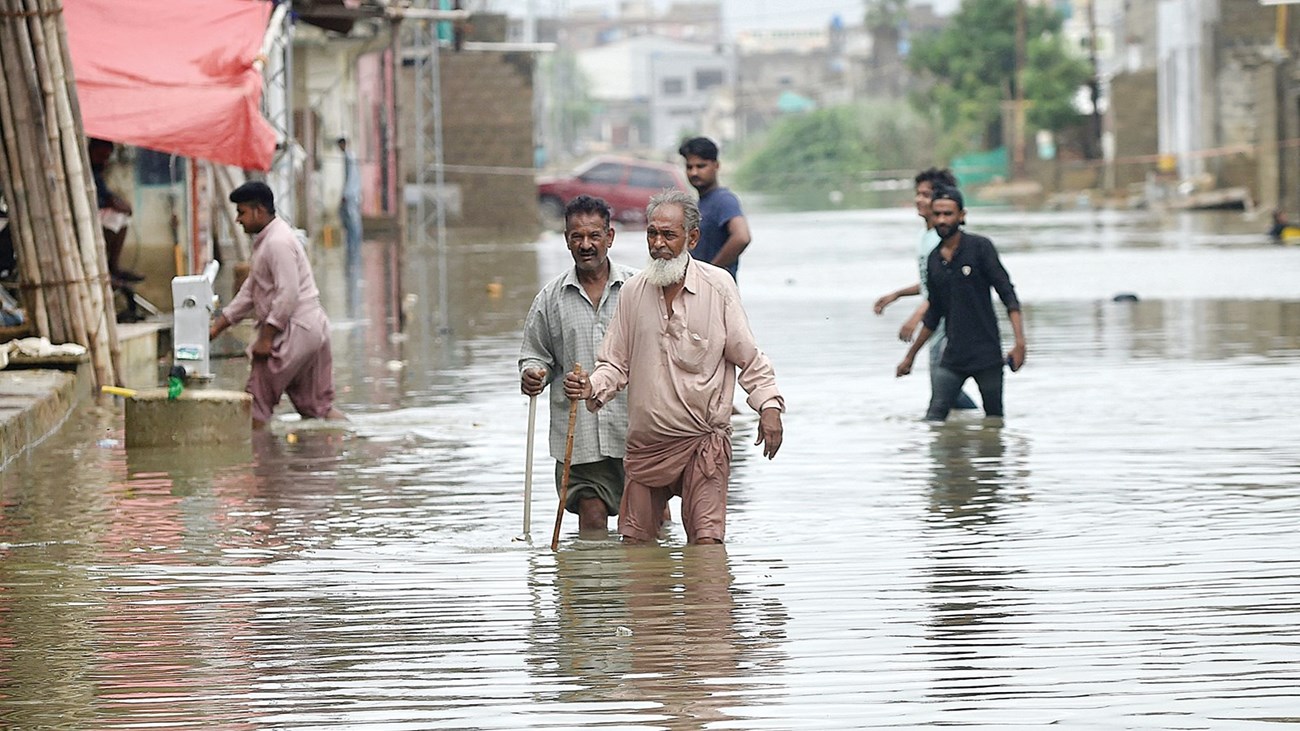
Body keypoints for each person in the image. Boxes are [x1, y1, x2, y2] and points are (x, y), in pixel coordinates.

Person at [563, 189, 785, 545]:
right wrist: (590, 386)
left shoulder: (718, 286)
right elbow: (615, 364)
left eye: (669, 235)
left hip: (703, 441)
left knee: (707, 544)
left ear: (692, 238)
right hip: (646, 445)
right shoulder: (633, 292)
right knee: (635, 545)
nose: (659, 244)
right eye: (653, 234)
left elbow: (748, 356)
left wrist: (769, 406)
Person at [519, 195, 638, 534]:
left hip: (635, 431)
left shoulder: (638, 289)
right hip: (580, 434)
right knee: (592, 518)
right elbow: (534, 353)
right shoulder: (550, 298)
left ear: (610, 237)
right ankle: (588, 585)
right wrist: (533, 375)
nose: (586, 245)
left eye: (594, 236)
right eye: (577, 237)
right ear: (567, 239)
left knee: (647, 524)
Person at [209, 181, 346, 429]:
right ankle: (337, 451)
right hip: (312, 327)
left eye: (242, 213)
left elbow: (288, 294)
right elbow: (251, 290)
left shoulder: (277, 243)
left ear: (259, 211)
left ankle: (261, 465)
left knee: (256, 406)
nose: (238, 220)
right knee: (318, 411)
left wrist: (266, 337)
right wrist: (219, 326)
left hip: (294, 329)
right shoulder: (269, 240)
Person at [896, 186, 1026, 422]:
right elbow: (933, 314)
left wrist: (1020, 343)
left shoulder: (980, 248)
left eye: (948, 214)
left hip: (987, 356)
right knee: (934, 418)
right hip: (953, 357)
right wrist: (910, 357)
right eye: (937, 214)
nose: (942, 220)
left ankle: (991, 459)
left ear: (962, 216)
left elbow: (1008, 295)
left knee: (994, 420)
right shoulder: (934, 260)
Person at [874, 167, 977, 411]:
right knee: (944, 386)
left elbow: (946, 289)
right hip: (935, 320)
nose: (919, 200)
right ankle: (975, 425)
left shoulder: (943, 241)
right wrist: (897, 294)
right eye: (917, 194)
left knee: (943, 386)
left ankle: (977, 425)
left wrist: (916, 318)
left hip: (948, 322)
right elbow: (931, 284)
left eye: (926, 194)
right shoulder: (925, 236)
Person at [678, 137, 751, 281]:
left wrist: (709, 272)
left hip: (718, 291)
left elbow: (742, 237)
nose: (694, 173)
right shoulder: (700, 203)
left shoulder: (724, 200)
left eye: (701, 166)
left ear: (716, 166)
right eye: (689, 167)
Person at [88, 138, 143, 285]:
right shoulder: (85, 170)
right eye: (101, 156)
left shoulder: (98, 171)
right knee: (115, 217)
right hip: (87, 216)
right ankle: (103, 265)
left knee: (123, 218)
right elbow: (103, 200)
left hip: (98, 212)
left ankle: (113, 265)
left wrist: (122, 204)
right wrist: (118, 205)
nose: (104, 161)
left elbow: (108, 195)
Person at [337, 137, 363, 269]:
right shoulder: (349, 156)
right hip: (353, 194)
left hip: (351, 195)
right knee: (350, 220)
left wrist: (346, 193)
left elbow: (351, 177)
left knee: (352, 221)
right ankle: (352, 246)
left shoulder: (349, 157)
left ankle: (353, 248)